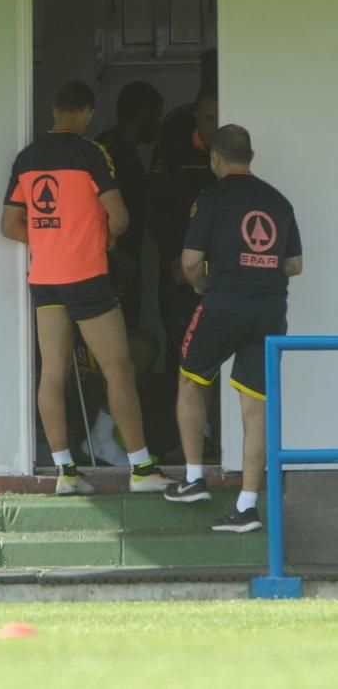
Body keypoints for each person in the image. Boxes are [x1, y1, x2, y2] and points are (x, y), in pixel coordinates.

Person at [0, 80, 174, 495]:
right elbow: (120, 216)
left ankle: (65, 473)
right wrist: (102, 239)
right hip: (87, 276)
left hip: (45, 281)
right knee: (119, 369)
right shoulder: (92, 153)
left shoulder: (26, 158)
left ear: (55, 109)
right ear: (90, 113)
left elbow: (9, 225)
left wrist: (49, 239)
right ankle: (142, 468)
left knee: (53, 373)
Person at [163, 125, 303, 532]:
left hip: (223, 303)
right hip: (270, 310)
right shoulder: (278, 201)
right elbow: (294, 265)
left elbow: (190, 262)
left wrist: (204, 286)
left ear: (216, 160)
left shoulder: (211, 197)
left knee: (190, 380)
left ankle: (193, 479)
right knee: (254, 405)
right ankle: (247, 506)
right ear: (251, 156)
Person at [79, 81, 163, 467]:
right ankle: (102, 436)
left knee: (123, 354)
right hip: (108, 268)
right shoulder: (110, 150)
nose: (158, 124)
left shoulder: (114, 146)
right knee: (118, 357)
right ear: (143, 113)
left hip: (116, 265)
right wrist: (114, 254)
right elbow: (103, 211)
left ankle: (105, 434)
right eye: (155, 116)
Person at [147, 86, 219, 457]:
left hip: (222, 272)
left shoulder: (231, 156)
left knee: (224, 347)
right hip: (178, 270)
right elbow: (155, 207)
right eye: (208, 118)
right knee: (184, 349)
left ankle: (220, 436)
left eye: (219, 117)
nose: (213, 125)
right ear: (195, 117)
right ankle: (189, 439)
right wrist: (174, 257)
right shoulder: (175, 149)